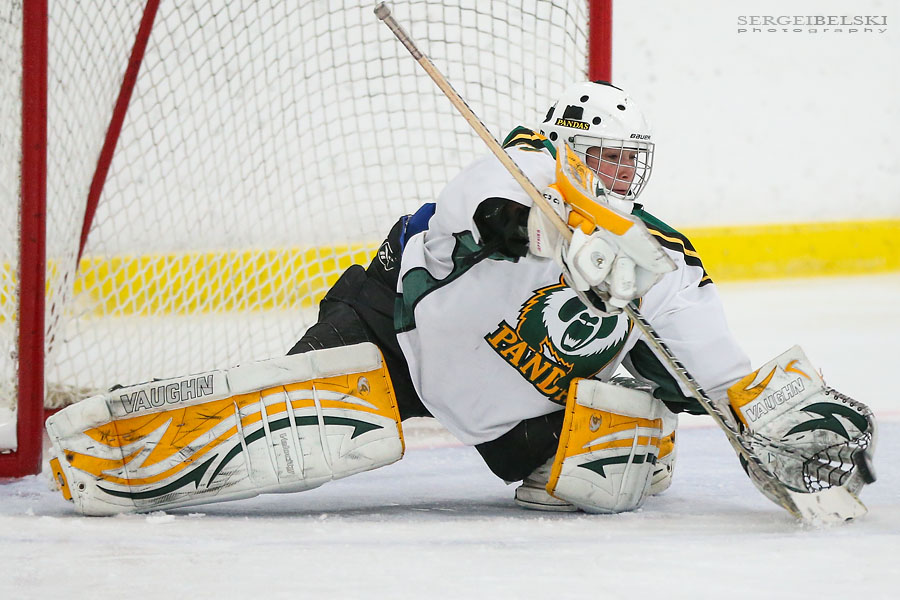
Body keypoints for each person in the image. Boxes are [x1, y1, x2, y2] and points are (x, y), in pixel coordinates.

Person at [45, 82, 875, 517]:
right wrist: (535, 231)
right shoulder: (525, 168)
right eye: (610, 158)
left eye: (632, 161)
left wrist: (746, 404)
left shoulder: (650, 251)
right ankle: (134, 448)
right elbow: (477, 208)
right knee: (307, 410)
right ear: (573, 147)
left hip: (501, 396)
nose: (624, 175)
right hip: (397, 331)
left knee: (614, 475)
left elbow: (698, 341)